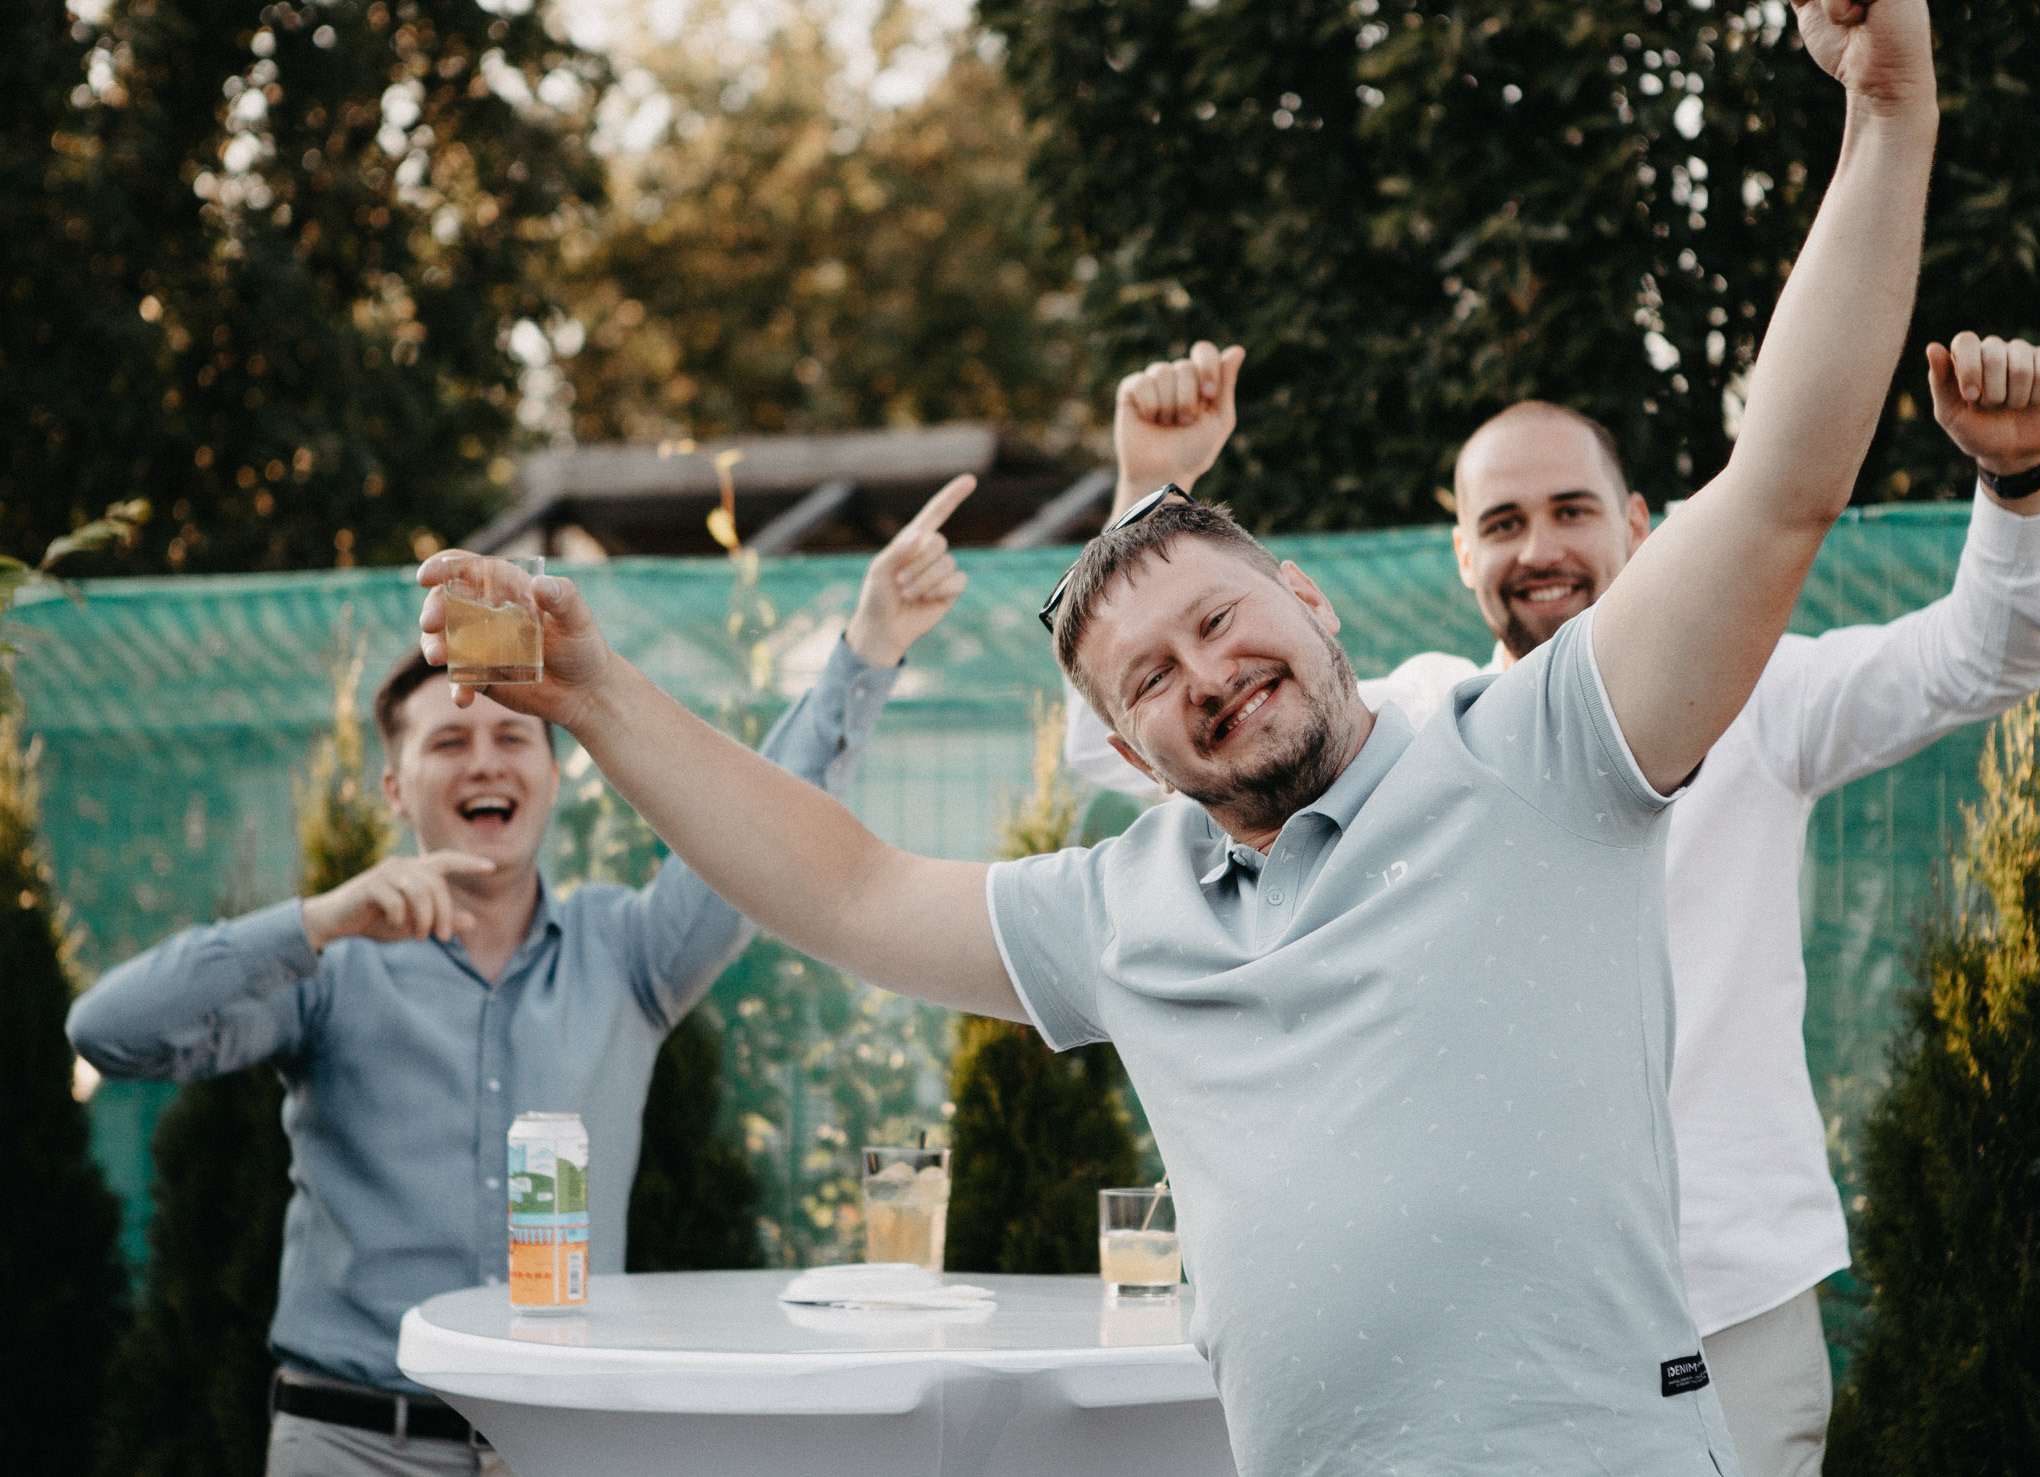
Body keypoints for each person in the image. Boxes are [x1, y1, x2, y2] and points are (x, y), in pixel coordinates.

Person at [415, 1, 1937, 1469]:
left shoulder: (1537, 749)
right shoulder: (1128, 910)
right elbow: (846, 889)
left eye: (1216, 623)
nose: (1198, 676)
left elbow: (1780, 482)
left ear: (1312, 603)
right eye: (1143, 680)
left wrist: (1882, 112)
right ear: (1133, 757)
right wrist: (596, 694)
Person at [1070, 331, 2040, 1477]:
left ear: (1640, 524)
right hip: (1488, 1348)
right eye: (1502, 524)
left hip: (1722, 1310)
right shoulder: (1401, 730)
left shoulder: (1758, 693)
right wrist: (1155, 490)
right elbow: (1129, 753)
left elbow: (1983, 655)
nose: (1539, 547)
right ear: (1461, 556)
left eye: (1570, 510)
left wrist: (2014, 480)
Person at [65, 485, 977, 1477]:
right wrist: (320, 920)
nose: (484, 759)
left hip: (560, 1444)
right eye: (448, 741)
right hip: (354, 1441)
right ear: (393, 786)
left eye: (512, 736)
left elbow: (762, 829)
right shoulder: (329, 966)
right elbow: (109, 1031)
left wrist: (869, 646)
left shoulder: (630, 952)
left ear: (552, 772)